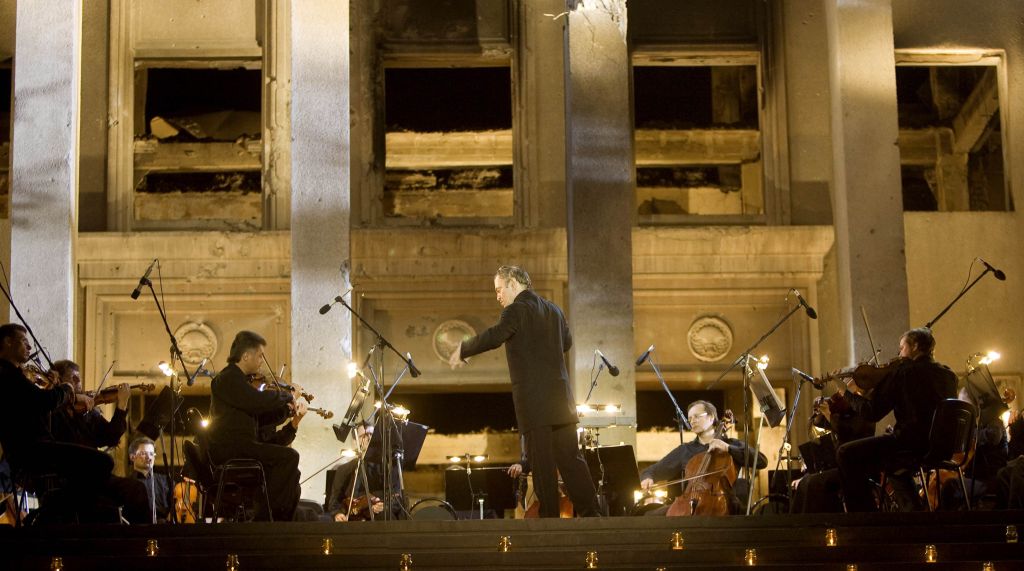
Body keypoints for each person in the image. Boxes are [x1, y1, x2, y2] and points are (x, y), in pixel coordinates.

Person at [449, 265, 601, 518]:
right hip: (561, 400)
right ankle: (594, 517)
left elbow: (496, 335)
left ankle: (549, 525)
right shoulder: (553, 309)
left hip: (535, 402)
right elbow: (567, 342)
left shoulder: (516, 309)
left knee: (542, 467)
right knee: (572, 461)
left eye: (499, 289)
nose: (497, 296)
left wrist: (464, 349)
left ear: (512, 283)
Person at [830, 327, 957, 512]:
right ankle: (913, 510)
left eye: (902, 347)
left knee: (845, 454)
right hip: (942, 448)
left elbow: (871, 412)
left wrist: (846, 393)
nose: (899, 353)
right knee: (894, 464)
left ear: (914, 346)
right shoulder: (949, 375)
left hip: (910, 445)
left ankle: (865, 517)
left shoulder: (903, 372)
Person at [0, 324, 118, 522]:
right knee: (103, 463)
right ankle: (48, 513)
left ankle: (53, 512)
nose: (30, 348)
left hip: (33, 449)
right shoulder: (8, 375)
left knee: (88, 470)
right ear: (7, 342)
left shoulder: (14, 375)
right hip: (31, 451)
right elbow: (43, 402)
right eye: (24, 342)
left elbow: (38, 405)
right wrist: (65, 389)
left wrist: (55, 390)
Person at [207, 331, 300, 521]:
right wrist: (287, 395)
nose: (261, 361)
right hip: (231, 448)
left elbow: (259, 418)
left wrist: (288, 412)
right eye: (259, 356)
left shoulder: (238, 382)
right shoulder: (227, 379)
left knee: (291, 470)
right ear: (246, 356)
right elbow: (256, 402)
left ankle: (280, 518)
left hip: (242, 446)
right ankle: (267, 519)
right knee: (289, 457)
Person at [639, 400, 766, 515]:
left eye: (696, 416)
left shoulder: (732, 444)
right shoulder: (685, 450)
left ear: (711, 418)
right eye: (689, 418)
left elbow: (761, 461)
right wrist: (648, 477)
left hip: (723, 502)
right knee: (649, 516)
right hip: (689, 502)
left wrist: (727, 448)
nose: (692, 420)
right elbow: (653, 471)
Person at [325, 420, 385, 521]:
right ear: (354, 441)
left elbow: (393, 497)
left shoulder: (384, 468)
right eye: (364, 436)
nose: (369, 438)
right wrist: (338, 514)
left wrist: (382, 506)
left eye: (371, 435)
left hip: (377, 519)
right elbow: (334, 503)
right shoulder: (343, 469)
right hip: (351, 518)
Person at [128, 436, 171, 522]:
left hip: (165, 529)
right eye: (144, 453)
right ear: (132, 457)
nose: (149, 457)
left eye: (151, 454)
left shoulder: (166, 480)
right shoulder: (127, 484)